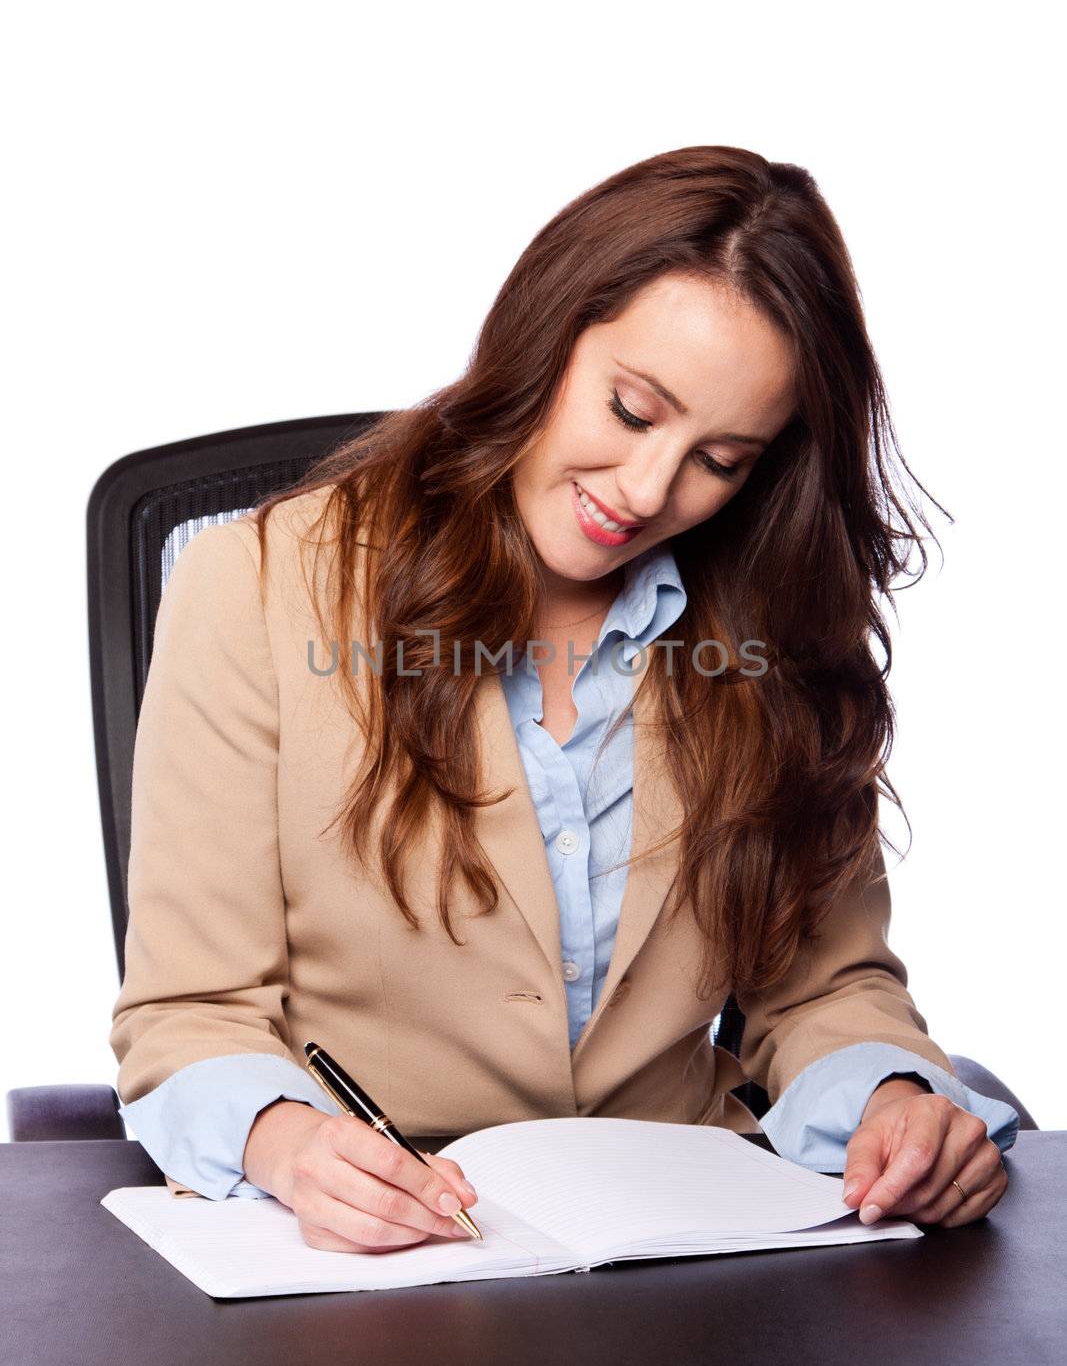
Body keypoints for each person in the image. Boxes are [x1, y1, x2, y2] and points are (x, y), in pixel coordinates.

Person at [110, 144, 1018, 1255]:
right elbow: (188, 1014)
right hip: (381, 1261)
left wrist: (891, 1103)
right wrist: (284, 1140)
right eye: (632, 410)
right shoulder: (252, 585)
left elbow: (824, 991)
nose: (646, 493)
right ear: (546, 333)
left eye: (720, 459)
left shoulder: (768, 634)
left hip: (696, 1267)